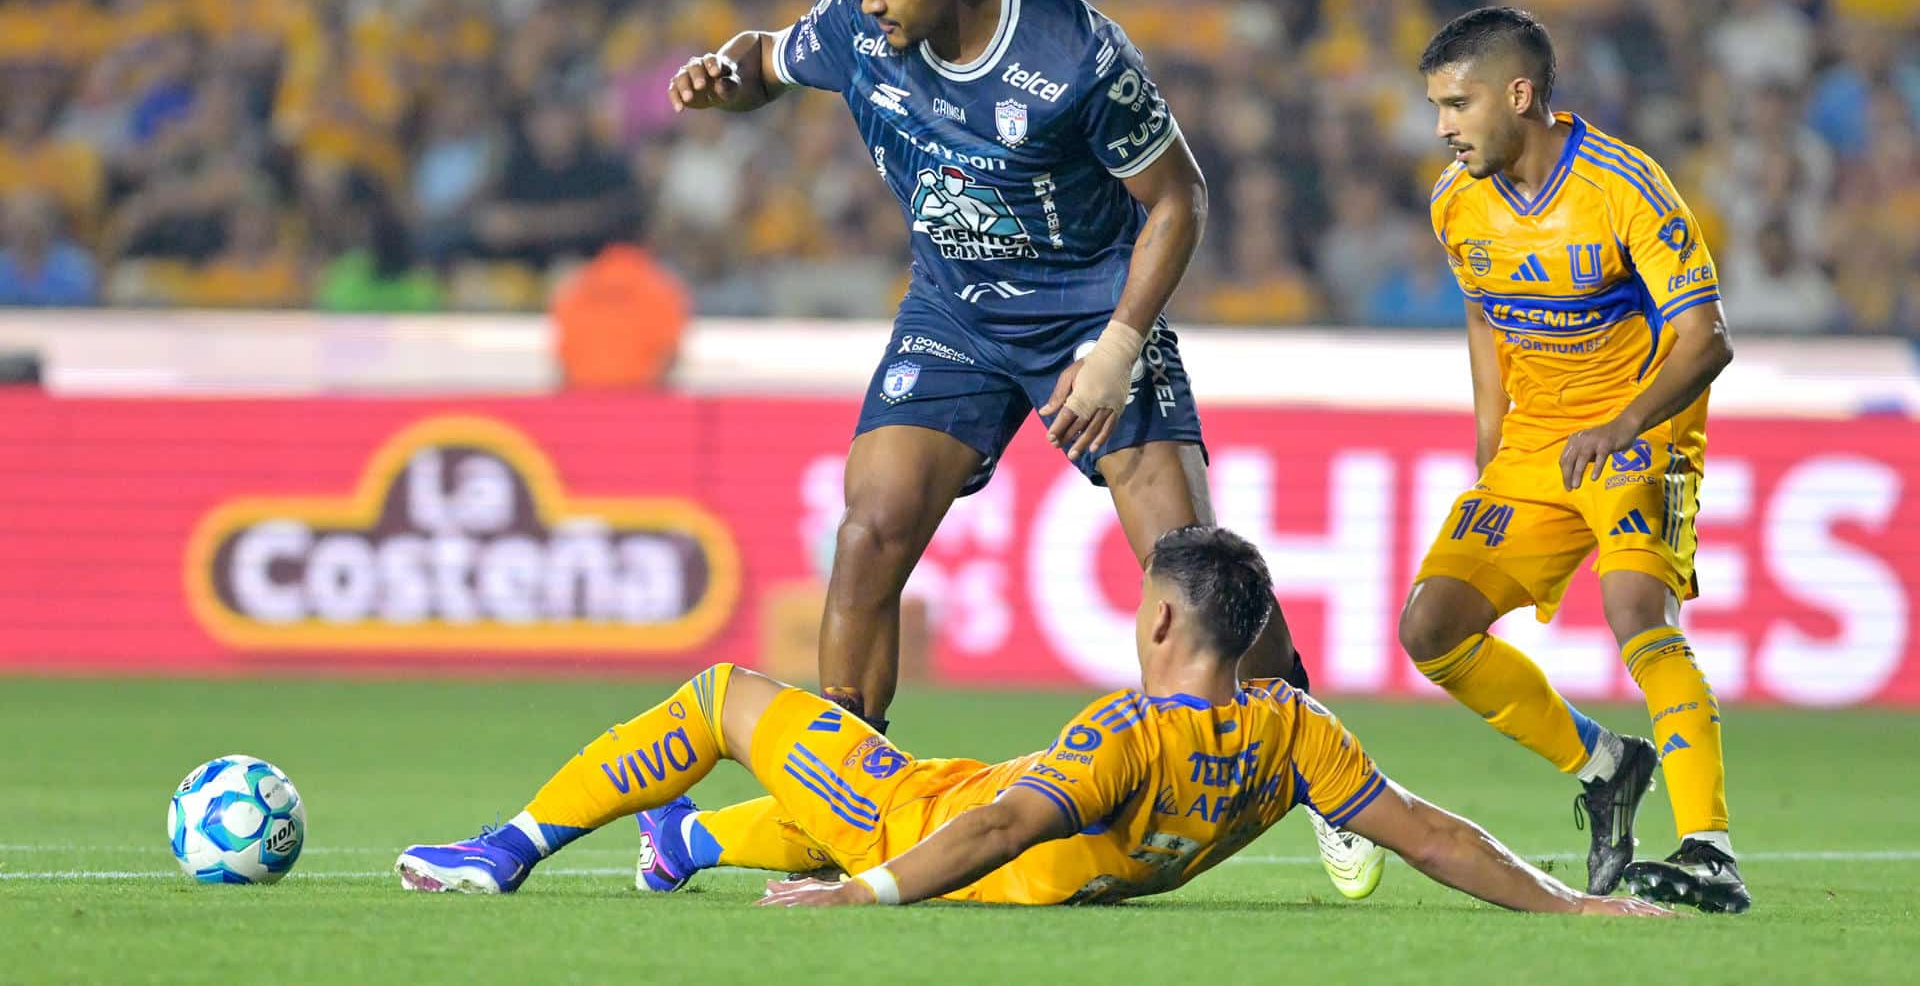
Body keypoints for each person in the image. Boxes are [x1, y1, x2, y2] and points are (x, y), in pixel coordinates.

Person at [664, 0, 1381, 894]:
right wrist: (720, 77)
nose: (867, 4)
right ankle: (834, 788)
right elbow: (766, 62)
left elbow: (1179, 199)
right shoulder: (859, 26)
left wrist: (1120, 346)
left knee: (1191, 562)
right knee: (869, 526)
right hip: (955, 311)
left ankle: (1320, 773)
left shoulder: (1073, 55)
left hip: (1088, 311)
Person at [394, 525, 1667, 918]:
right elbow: (1429, 832)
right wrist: (1572, 907)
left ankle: (500, 852)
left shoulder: (1122, 732)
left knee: (727, 699)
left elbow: (1001, 823)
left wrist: (868, 898)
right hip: (997, 823)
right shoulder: (1294, 733)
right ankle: (690, 847)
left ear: (1166, 627)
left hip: (935, 833)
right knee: (900, 785)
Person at [1402, 7, 1747, 914]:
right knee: (1430, 629)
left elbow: (1706, 341)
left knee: (1636, 610)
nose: (1442, 126)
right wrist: (1490, 443)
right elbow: (1485, 310)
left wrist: (1625, 426)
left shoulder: (1624, 186)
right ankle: (1604, 764)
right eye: (1436, 106)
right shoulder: (1456, 201)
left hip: (1643, 437)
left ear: (1520, 95)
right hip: (1535, 450)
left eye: (1457, 103)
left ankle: (1709, 848)